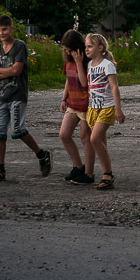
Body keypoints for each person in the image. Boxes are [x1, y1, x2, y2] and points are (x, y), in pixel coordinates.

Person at [0, 14, 52, 182]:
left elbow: (17, 71)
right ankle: (0, 169)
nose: (1, 33)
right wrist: (4, 70)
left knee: (18, 130)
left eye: (4, 29)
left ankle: (41, 154)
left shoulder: (19, 46)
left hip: (17, 95)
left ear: (12, 29)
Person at [84, 33, 124, 190]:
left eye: (90, 46)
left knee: (94, 139)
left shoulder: (108, 64)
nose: (87, 49)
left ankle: (108, 174)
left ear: (100, 48)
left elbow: (114, 87)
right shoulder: (89, 65)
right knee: (100, 141)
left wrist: (118, 109)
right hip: (93, 107)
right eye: (86, 46)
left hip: (107, 107)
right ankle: (107, 177)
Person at [58, 29, 96, 185]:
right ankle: (78, 166)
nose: (67, 52)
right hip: (73, 103)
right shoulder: (68, 60)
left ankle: (89, 174)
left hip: (86, 105)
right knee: (64, 134)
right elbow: (68, 79)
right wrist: (64, 98)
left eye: (70, 49)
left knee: (85, 138)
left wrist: (79, 63)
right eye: (66, 49)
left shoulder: (86, 61)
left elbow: (83, 83)